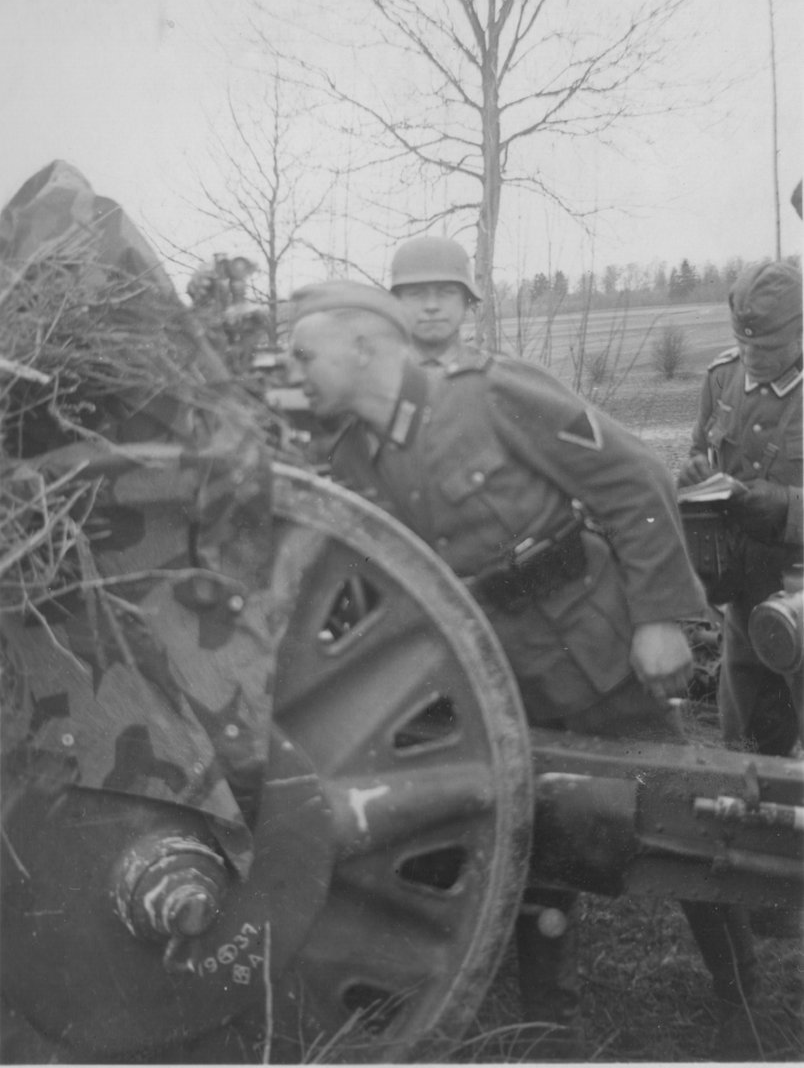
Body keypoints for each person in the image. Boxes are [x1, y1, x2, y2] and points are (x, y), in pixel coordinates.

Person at [288, 279, 758, 1060]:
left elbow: (634, 477)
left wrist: (657, 618)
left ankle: (739, 998)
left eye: (307, 352)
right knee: (531, 834)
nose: (294, 368)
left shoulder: (490, 395)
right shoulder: (353, 456)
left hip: (594, 648)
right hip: (494, 682)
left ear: (364, 344)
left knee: (678, 815)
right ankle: (551, 1032)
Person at [678, 260, 803, 758]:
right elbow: (698, 450)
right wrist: (695, 476)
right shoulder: (722, 379)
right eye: (743, 341)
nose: (750, 355)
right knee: (747, 752)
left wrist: (778, 508)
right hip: (747, 603)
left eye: (765, 346)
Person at [389, 235, 481, 369]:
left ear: (466, 301)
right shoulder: (371, 377)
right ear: (397, 302)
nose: (431, 306)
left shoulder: (504, 380)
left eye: (446, 292)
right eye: (416, 293)